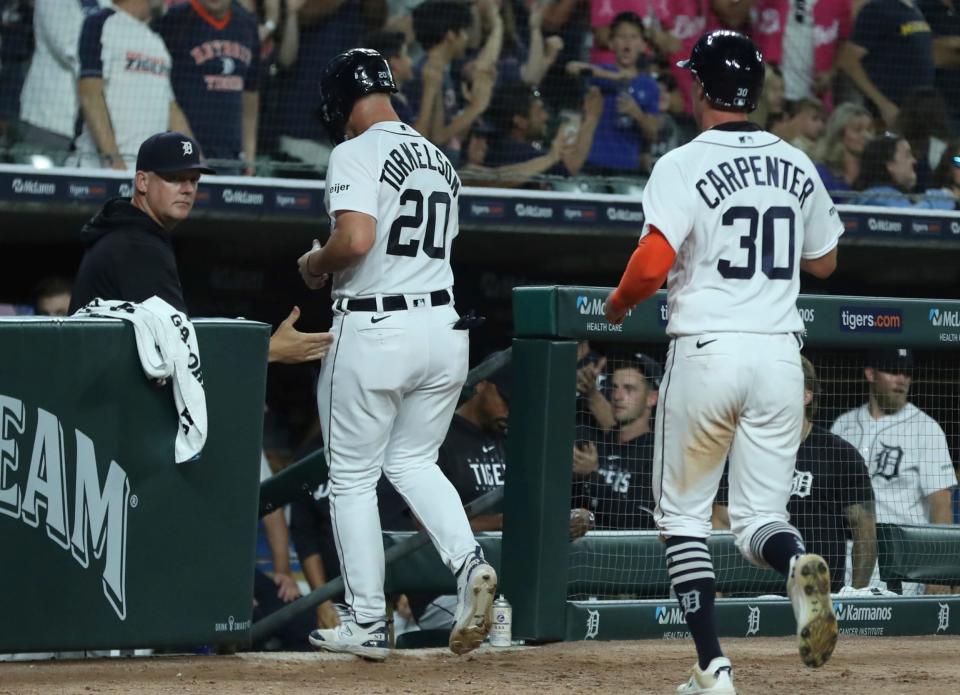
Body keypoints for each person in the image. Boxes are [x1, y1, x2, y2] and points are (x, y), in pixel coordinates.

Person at [603, 31, 843, 691]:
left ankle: (713, 664)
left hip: (707, 348)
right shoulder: (796, 161)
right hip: (779, 357)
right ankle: (794, 562)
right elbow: (824, 261)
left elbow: (652, 263)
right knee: (759, 519)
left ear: (702, 88)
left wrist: (619, 304)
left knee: (682, 517)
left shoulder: (681, 162)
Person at [296, 48, 497, 660]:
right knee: (413, 461)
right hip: (444, 328)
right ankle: (470, 569)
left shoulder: (354, 151)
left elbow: (355, 240)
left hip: (377, 327)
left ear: (341, 100)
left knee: (353, 478)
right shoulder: (438, 156)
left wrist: (314, 264)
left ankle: (364, 621)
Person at [69, 130, 331, 364]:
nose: (187, 189)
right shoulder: (137, 245)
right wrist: (269, 350)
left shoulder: (130, 234)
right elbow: (176, 351)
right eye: (174, 178)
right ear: (142, 182)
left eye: (193, 180)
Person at [714, 356, 878, 593]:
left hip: (819, 598)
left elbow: (864, 529)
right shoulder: (746, 452)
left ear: (806, 396)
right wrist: (717, 590)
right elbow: (720, 519)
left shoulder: (839, 454)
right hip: (754, 594)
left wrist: (855, 596)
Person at [831, 347, 958, 595]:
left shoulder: (925, 428)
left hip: (900, 565)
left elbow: (941, 505)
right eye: (893, 371)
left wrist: (939, 572)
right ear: (870, 373)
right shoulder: (843, 426)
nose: (902, 380)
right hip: (842, 558)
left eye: (907, 373)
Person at [73, 0, 193, 169]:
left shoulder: (156, 42)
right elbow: (89, 94)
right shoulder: (100, 23)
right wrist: (114, 161)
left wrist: (196, 160)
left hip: (146, 174)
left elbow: (171, 110)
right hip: (99, 171)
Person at [157, 0, 261, 173]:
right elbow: (160, 89)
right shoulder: (175, 19)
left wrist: (249, 158)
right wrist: (192, 154)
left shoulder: (247, 24)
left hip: (232, 162)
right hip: (180, 157)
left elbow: (251, 94)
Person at [572, 353, 660, 530]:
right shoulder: (595, 444)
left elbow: (643, 520)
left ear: (652, 398)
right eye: (614, 387)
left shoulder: (657, 455)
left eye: (629, 389)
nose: (618, 396)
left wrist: (592, 477)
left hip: (625, 554)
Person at [567, 11, 660, 175]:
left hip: (627, 168)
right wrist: (615, 76)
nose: (627, 42)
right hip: (592, 162)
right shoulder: (601, 73)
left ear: (642, 45)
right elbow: (572, 68)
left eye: (633, 37)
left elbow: (653, 134)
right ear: (611, 43)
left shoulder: (650, 85)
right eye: (621, 36)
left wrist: (636, 113)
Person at [17, 0, 107, 165]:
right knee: (40, 186)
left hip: (90, 128)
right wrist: (113, 65)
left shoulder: (105, 3)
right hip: (49, 122)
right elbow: (71, 48)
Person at [836, 0, 935, 127]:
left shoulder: (915, 8)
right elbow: (849, 61)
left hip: (918, 112)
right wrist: (883, 104)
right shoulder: (877, 9)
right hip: (891, 114)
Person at [486, 81, 601, 177]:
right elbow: (570, 167)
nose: (545, 116)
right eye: (539, 111)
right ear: (520, 121)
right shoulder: (518, 152)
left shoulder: (498, 146)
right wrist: (592, 117)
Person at [851, 133, 954, 209]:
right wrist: (939, 199)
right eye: (907, 155)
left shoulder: (887, 196)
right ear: (889, 164)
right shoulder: (877, 198)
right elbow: (907, 222)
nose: (914, 161)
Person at [812, 103, 874, 197]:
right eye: (857, 130)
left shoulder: (875, 174)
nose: (866, 136)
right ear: (840, 134)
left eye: (869, 130)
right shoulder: (821, 174)